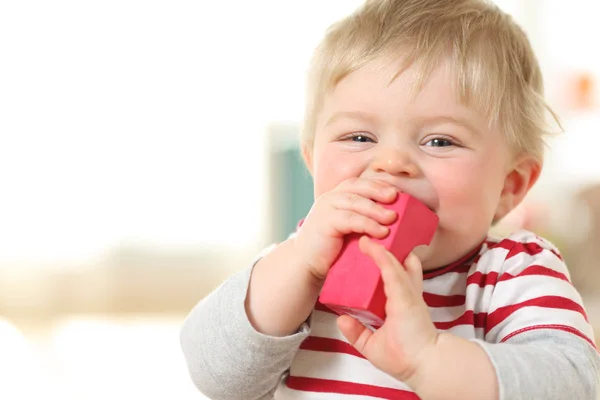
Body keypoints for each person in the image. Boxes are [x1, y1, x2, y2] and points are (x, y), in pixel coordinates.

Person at [180, 0, 600, 398]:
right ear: (312, 161)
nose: (391, 163)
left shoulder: (512, 273)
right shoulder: (301, 266)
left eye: (440, 140)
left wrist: (429, 359)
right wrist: (299, 266)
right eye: (359, 137)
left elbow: (573, 383)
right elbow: (215, 375)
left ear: (509, 185)